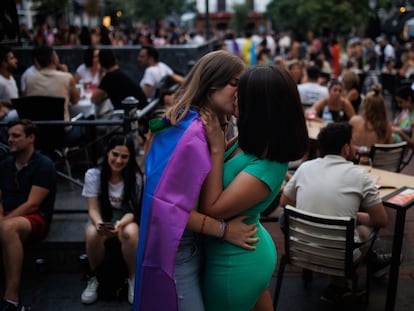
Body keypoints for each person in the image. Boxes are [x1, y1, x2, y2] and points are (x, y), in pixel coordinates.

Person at [134, 50, 261, 311]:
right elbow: (169, 207)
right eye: (235, 84)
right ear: (211, 83)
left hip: (183, 245)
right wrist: (225, 231)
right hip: (179, 250)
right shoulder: (193, 136)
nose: (239, 93)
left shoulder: (201, 124)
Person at [200, 64, 308, 311]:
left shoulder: (269, 164)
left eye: (242, 90)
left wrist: (217, 148)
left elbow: (212, 208)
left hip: (235, 263)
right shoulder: (253, 139)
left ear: (259, 103)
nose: (235, 94)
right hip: (241, 249)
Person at [280, 122, 389, 304]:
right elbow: (381, 220)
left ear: (320, 149)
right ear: (346, 149)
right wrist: (356, 217)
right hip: (340, 258)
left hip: (300, 250)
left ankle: (338, 286)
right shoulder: (361, 176)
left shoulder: (306, 168)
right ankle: (363, 270)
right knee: (366, 230)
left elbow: (285, 202)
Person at [0, 119, 57, 311]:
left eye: (16, 136)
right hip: (7, 215)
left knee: (7, 228)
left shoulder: (44, 165)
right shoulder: (5, 164)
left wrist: (3, 222)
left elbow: (32, 205)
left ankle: (12, 299)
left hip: (34, 218)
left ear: (31, 138)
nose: (10, 140)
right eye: (9, 136)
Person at [80, 134, 143, 305]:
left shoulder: (135, 178)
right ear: (107, 153)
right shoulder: (93, 174)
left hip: (125, 220)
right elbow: (92, 208)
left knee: (131, 232)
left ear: (130, 158)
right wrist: (99, 223)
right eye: (115, 154)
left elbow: (133, 212)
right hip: (102, 217)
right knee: (93, 233)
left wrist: (121, 224)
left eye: (124, 156)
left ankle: (133, 278)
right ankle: (94, 278)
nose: (118, 160)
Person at [24, 45, 82, 146]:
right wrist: (66, 73)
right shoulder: (67, 77)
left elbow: (26, 99)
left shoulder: (29, 78)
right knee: (83, 124)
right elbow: (76, 100)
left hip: (37, 132)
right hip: (63, 133)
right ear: (54, 58)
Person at [349, 84, 393, 153]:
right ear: (382, 107)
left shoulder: (354, 121)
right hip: (377, 162)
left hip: (355, 162)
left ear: (365, 105)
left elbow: (348, 146)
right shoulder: (387, 127)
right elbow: (388, 150)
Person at [0, 45, 19, 136]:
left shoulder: (11, 77)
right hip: (4, 120)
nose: (15, 61)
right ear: (4, 62)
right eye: (11, 59)